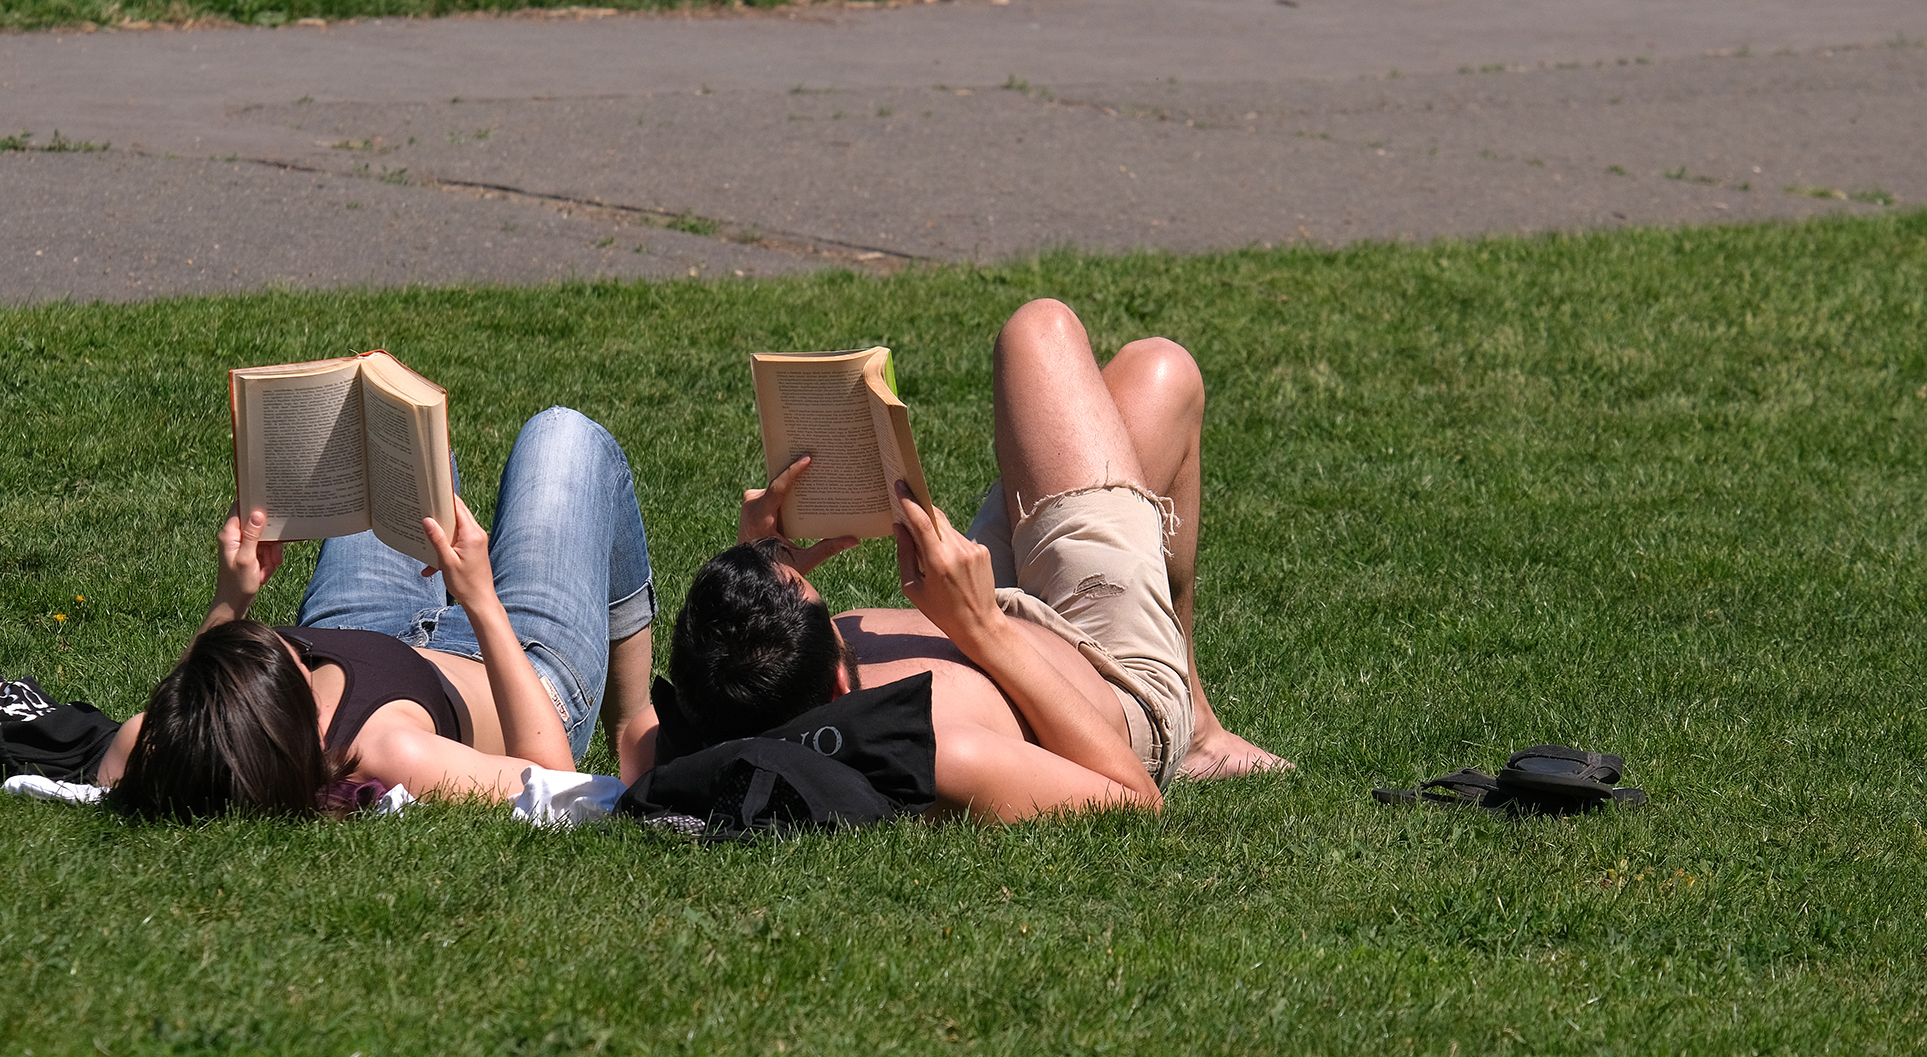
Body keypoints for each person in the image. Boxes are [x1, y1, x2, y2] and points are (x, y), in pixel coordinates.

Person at [652, 299, 1288, 823]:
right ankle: (1193, 726)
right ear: (841, 686)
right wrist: (979, 626)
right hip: (1115, 679)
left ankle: (1204, 726)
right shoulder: (941, 750)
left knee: (1128, 381)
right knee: (1132, 363)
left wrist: (755, 560)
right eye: (816, 606)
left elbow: (645, 730)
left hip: (1002, 612)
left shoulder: (744, 688)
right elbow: (1133, 804)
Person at [99, 407, 657, 817]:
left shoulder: (164, 742)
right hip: (519, 669)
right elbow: (556, 786)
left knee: (390, 456)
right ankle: (632, 722)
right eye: (295, 661)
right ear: (306, 722)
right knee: (564, 436)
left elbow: (202, 704)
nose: (297, 649)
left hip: (362, 625)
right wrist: (480, 600)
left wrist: (233, 594)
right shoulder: (390, 749)